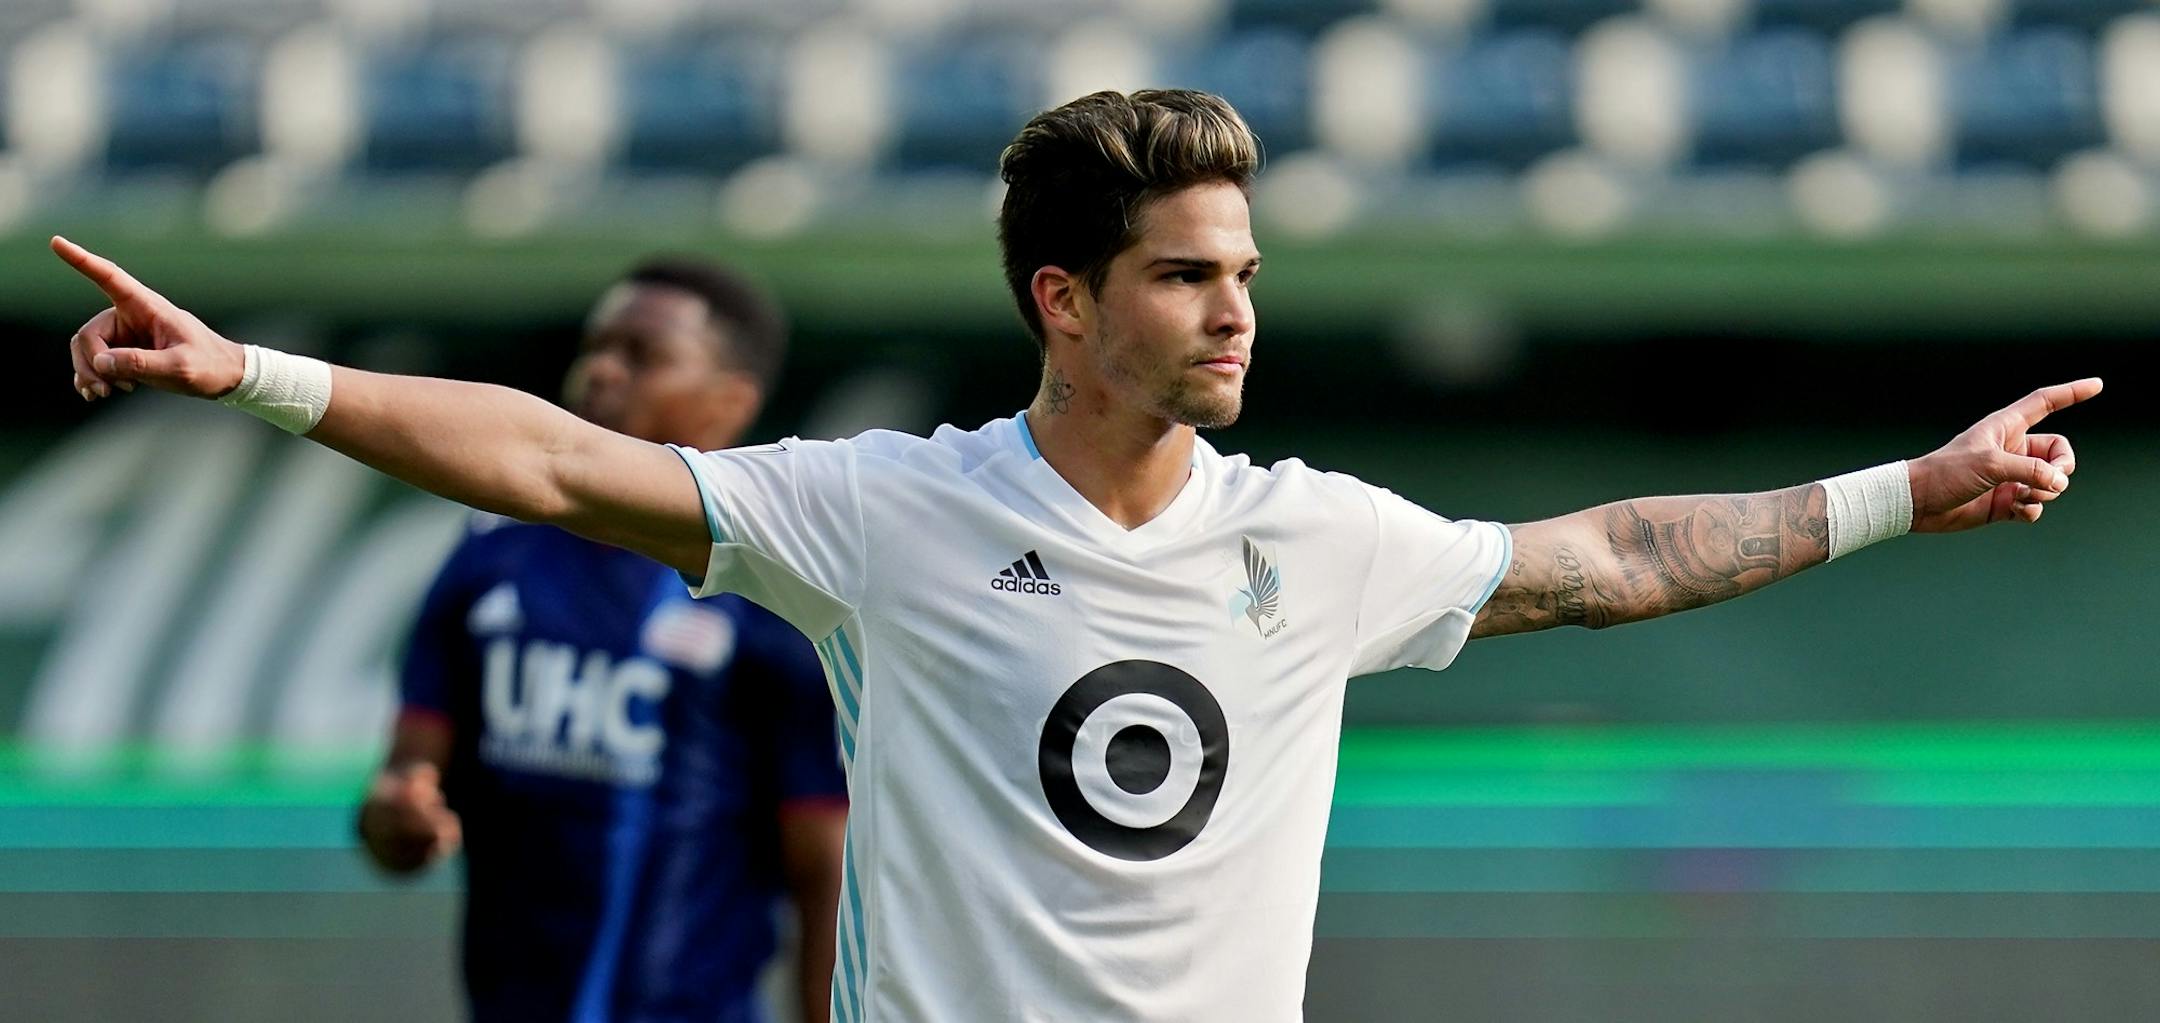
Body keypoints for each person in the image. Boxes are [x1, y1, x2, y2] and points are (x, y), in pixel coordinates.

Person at [56, 90, 2098, 1023]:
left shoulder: (1320, 538)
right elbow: (553, 459)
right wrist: (253, 370)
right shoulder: (889, 513)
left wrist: (1911, 486)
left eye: (1248, 274)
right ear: (1064, 297)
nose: (1238, 312)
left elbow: (1612, 557)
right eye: (1187, 275)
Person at [350, 259, 847, 1023]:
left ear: (729, 403)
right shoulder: (488, 559)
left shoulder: (773, 595)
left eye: (642, 356)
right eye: (598, 346)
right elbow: (402, 791)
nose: (601, 371)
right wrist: (398, 814)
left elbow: (824, 865)